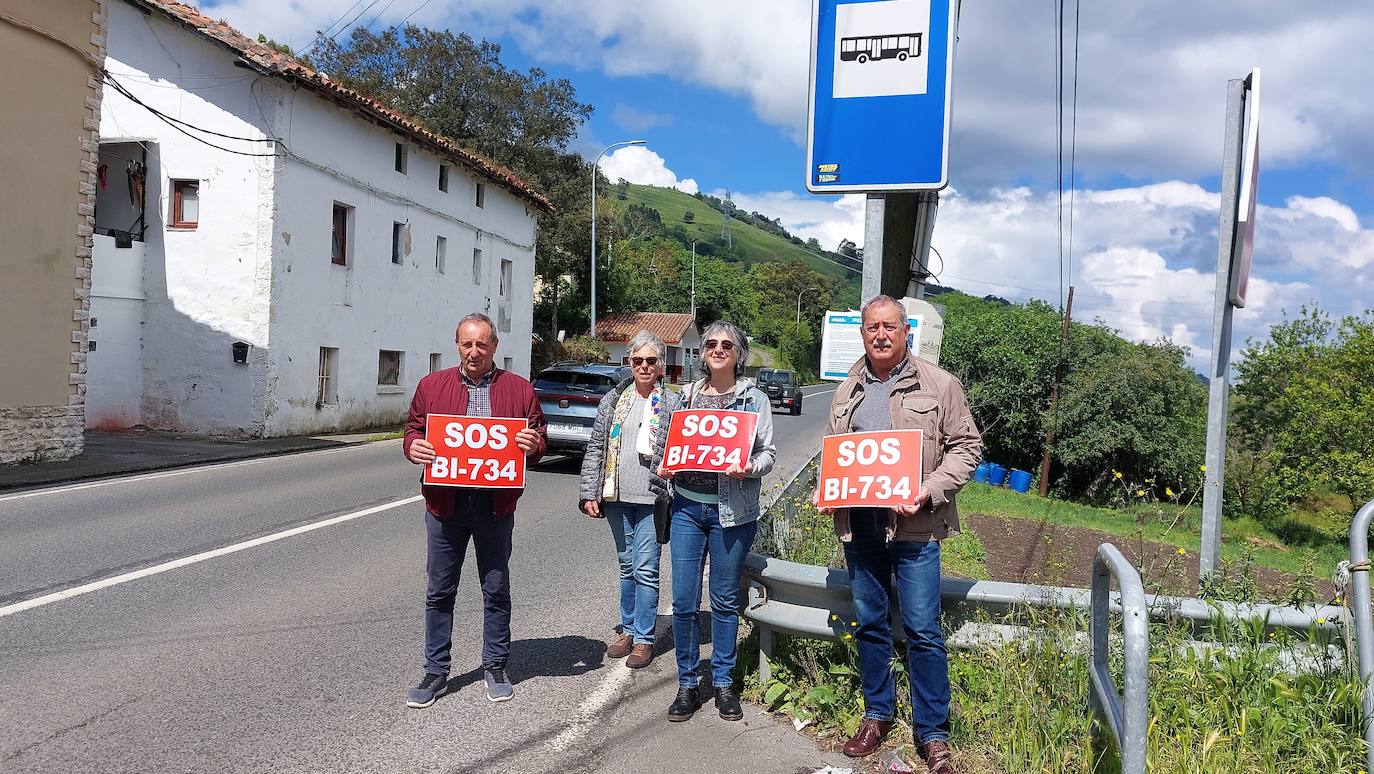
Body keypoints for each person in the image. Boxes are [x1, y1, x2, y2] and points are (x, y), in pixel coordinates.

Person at [817, 295, 981, 773]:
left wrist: (929, 490)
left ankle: (933, 735)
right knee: (870, 622)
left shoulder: (939, 384)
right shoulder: (847, 388)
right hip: (860, 525)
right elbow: (835, 454)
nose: (881, 335)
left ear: (906, 330)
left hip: (915, 526)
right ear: (863, 332)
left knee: (923, 630)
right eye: (872, 328)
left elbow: (967, 447)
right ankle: (877, 715)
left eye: (889, 327)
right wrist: (825, 491)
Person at [402, 312, 547, 709]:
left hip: (494, 506)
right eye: (467, 344)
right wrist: (412, 446)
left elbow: (539, 438)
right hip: (444, 504)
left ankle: (496, 665)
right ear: (457, 345)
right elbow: (414, 429)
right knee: (439, 589)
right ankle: (435, 671)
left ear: (495, 347)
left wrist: (532, 445)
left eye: (482, 344)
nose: (474, 351)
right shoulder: (432, 386)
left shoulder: (518, 389)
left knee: (496, 587)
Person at [653, 320, 776, 722]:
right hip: (687, 509)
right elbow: (663, 446)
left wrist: (748, 467)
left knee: (724, 602)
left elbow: (768, 455)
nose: (718, 349)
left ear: (739, 353)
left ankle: (722, 682)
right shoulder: (684, 397)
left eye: (727, 344)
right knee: (685, 602)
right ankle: (688, 683)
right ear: (702, 352)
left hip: (732, 515)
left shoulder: (754, 400)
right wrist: (665, 468)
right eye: (711, 344)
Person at [578, 330, 682, 669]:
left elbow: (681, 449)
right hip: (616, 496)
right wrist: (588, 492)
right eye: (637, 360)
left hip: (653, 498)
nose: (644, 366)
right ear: (629, 363)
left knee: (647, 569)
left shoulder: (672, 402)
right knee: (626, 566)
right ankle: (628, 628)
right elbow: (596, 447)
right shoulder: (613, 399)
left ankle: (644, 639)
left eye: (651, 361)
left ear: (661, 367)